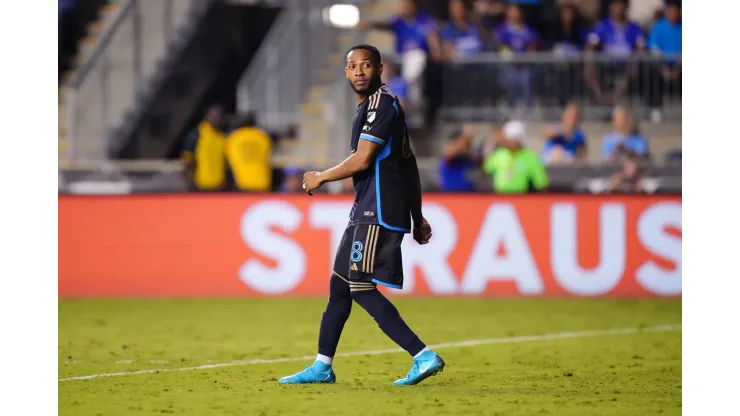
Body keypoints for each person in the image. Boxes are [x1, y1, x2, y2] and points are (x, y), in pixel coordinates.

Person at [279, 44, 444, 386]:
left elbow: (364, 158)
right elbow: (409, 163)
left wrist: (321, 176)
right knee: (340, 286)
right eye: (352, 66)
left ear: (380, 68)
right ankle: (323, 366)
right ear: (345, 72)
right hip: (367, 209)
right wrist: (417, 215)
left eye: (365, 65)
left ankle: (422, 354)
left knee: (359, 287)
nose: (358, 71)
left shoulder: (381, 104)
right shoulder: (371, 108)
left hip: (377, 209)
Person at [483, 120, 548, 193]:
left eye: (510, 139)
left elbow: (541, 184)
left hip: (521, 198)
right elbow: (485, 171)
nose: (507, 141)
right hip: (499, 197)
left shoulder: (530, 157)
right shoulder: (499, 154)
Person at [646, 0, 681, 123]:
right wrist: (663, 68)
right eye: (670, 9)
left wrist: (678, 68)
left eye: (675, 9)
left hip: (679, 66)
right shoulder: (658, 27)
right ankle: (656, 108)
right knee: (651, 74)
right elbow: (653, 49)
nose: (673, 12)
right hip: (661, 65)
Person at [180, 105, 227, 191]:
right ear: (206, 116)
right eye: (213, 116)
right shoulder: (197, 135)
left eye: (218, 116)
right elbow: (187, 162)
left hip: (219, 188)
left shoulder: (223, 137)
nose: (216, 119)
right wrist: (191, 184)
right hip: (201, 187)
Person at [225, 112, 272, 192]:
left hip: (242, 185)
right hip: (263, 184)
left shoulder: (233, 138)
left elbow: (228, 160)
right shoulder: (263, 137)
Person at [439, 126, 479, 192]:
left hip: (470, 193)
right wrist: (464, 138)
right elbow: (450, 153)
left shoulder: (469, 156)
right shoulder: (450, 152)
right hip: (452, 194)